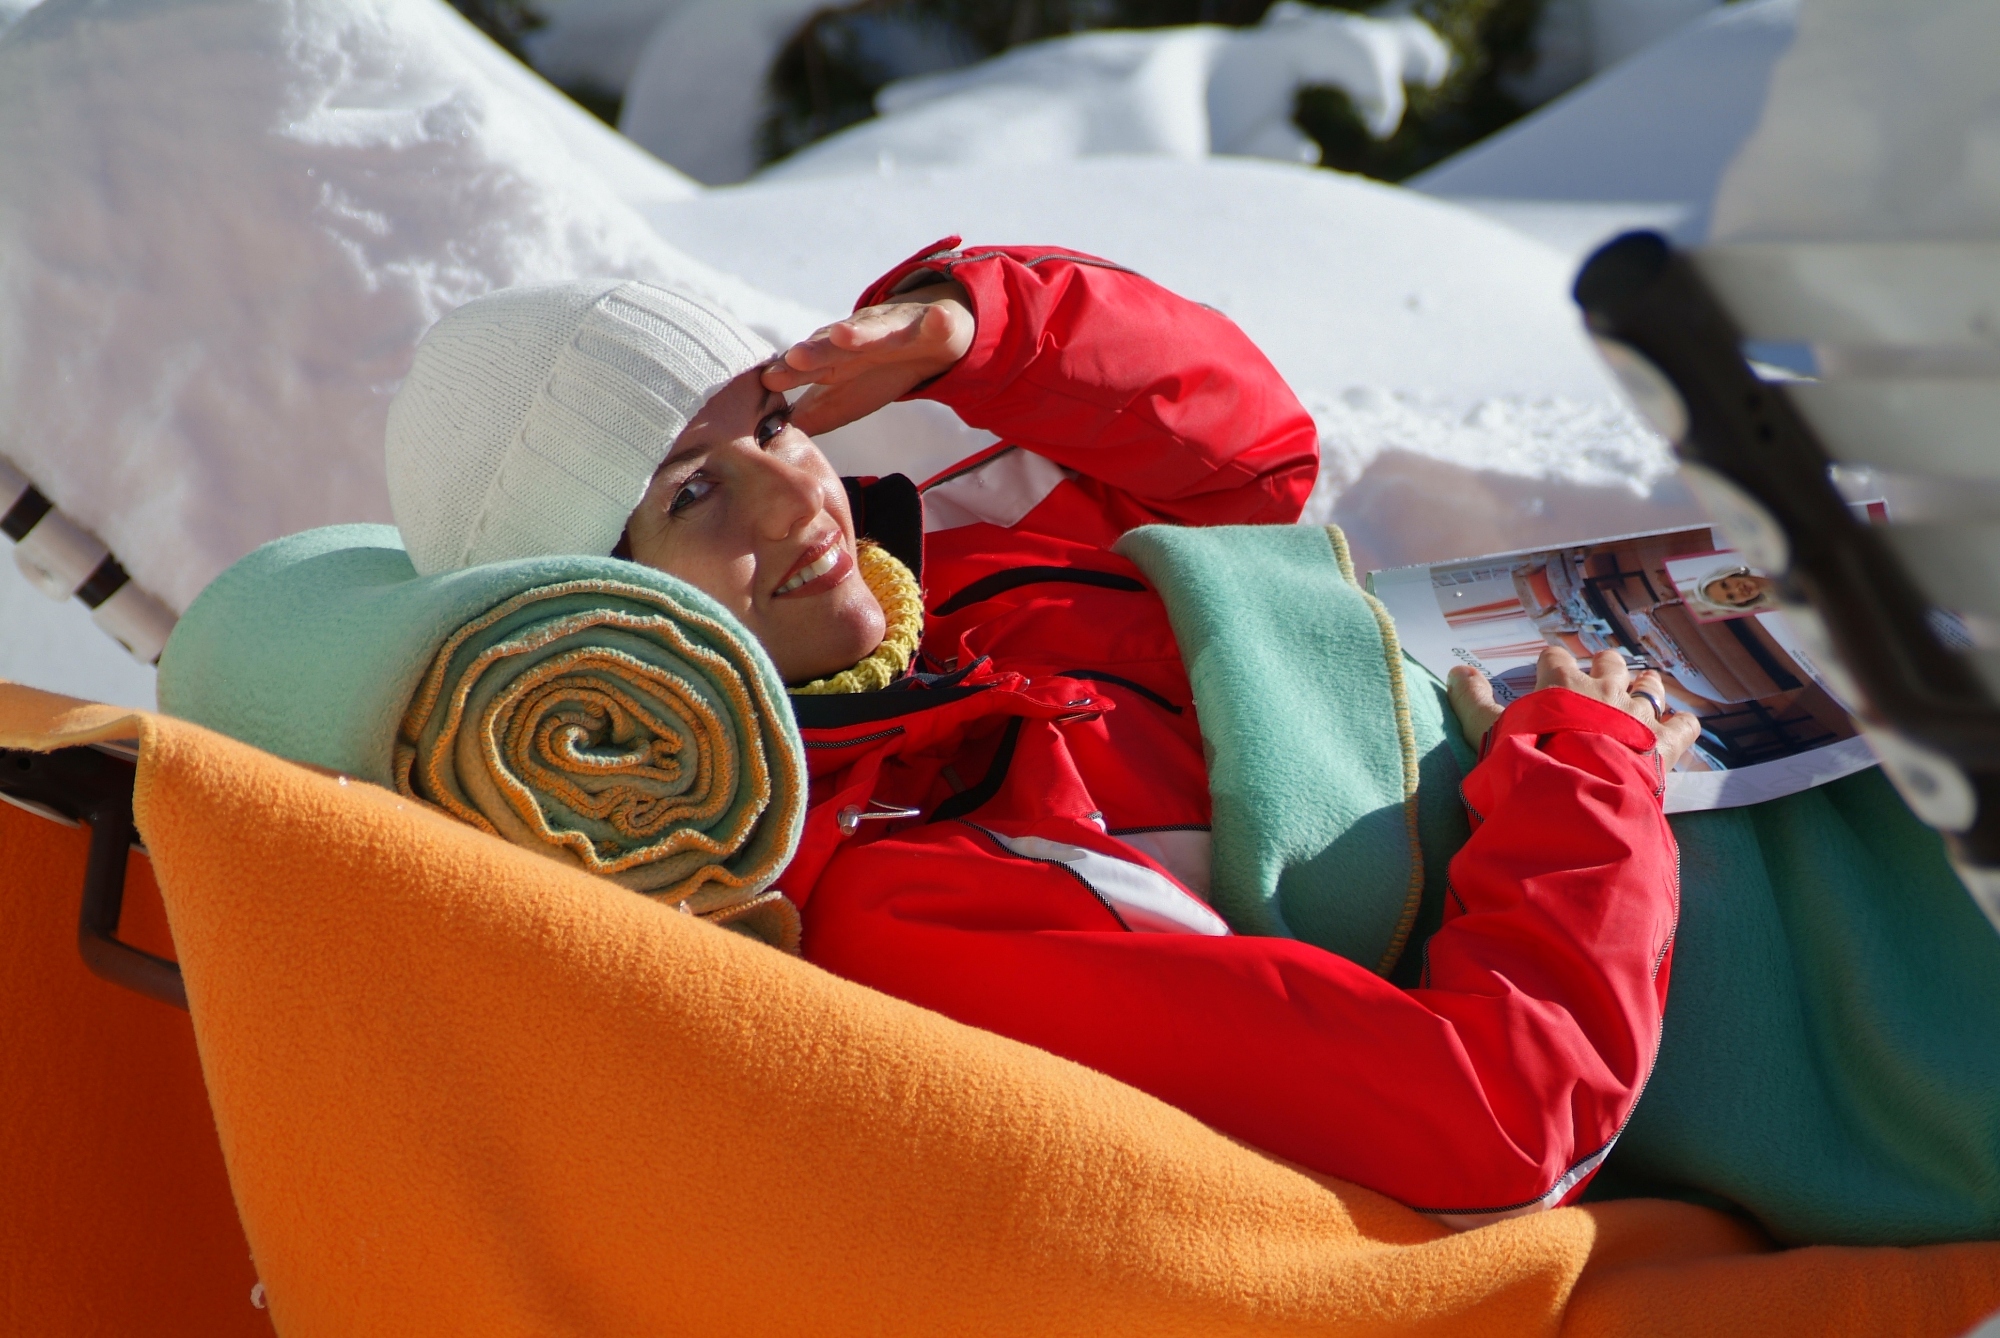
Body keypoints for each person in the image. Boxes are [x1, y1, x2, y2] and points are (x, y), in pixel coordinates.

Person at [385, 238, 1700, 1227]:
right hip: (1716, 966)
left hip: (1661, 810)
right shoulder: (918, 899)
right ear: (605, 628)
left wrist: (985, 329)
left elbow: (1248, 472)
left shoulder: (937, 586)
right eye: (694, 490)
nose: (798, 500)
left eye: (772, 420)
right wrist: (1586, 767)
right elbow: (1496, 1113)